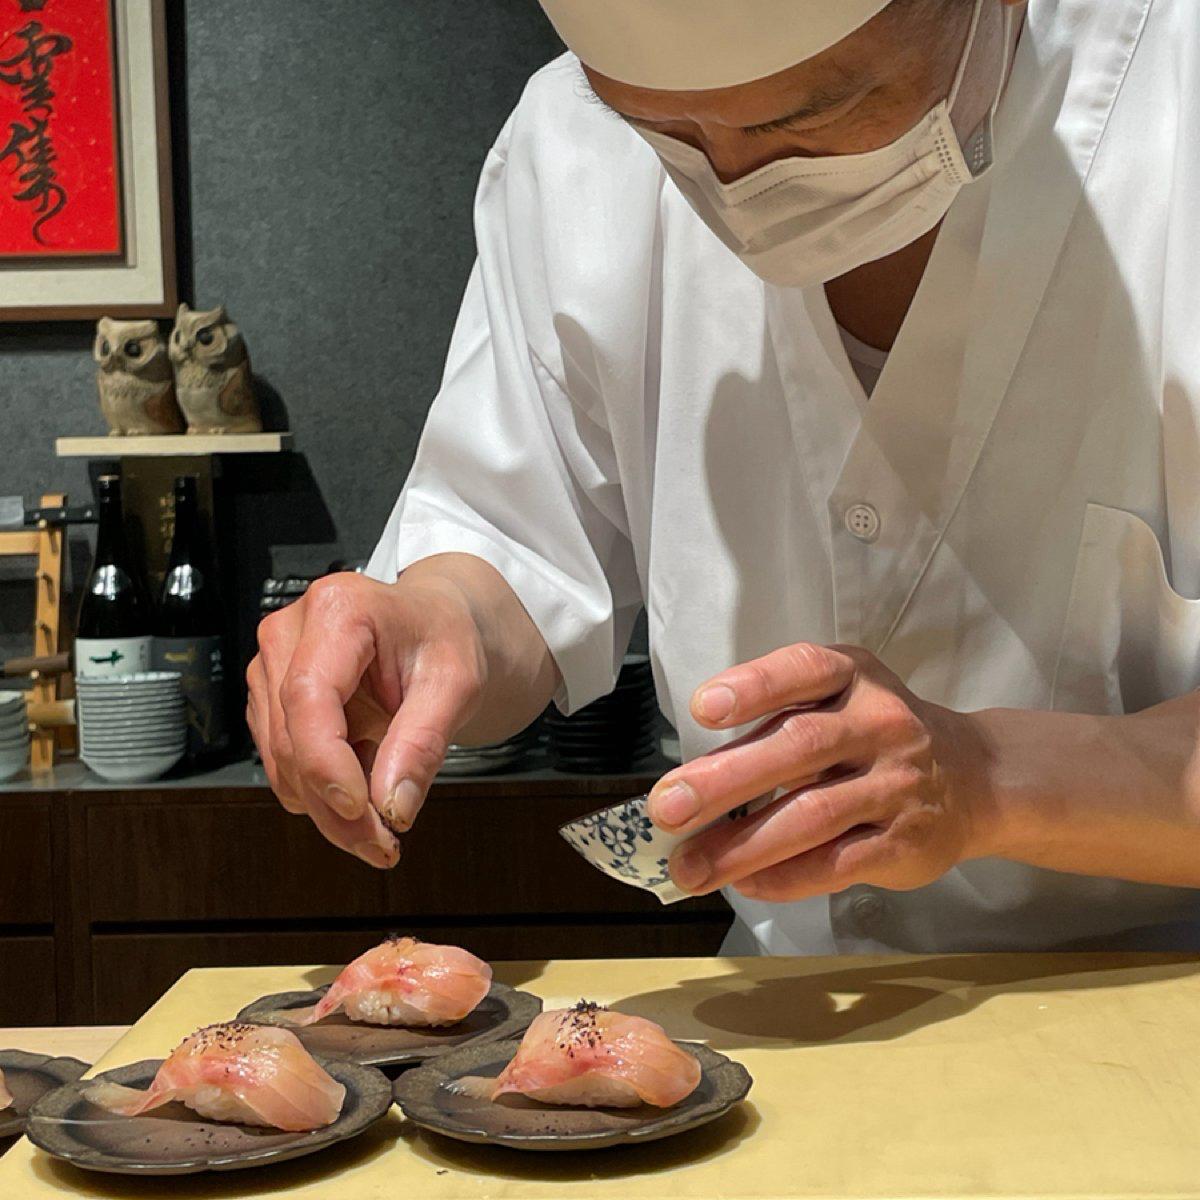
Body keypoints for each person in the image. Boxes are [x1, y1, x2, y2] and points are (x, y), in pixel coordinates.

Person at [247, 0, 1200, 955]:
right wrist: (434, 622)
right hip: (783, 1006)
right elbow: (513, 544)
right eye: (668, 133)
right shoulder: (576, 139)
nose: (739, 187)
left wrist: (986, 777)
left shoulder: (1176, 97)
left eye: (809, 118)